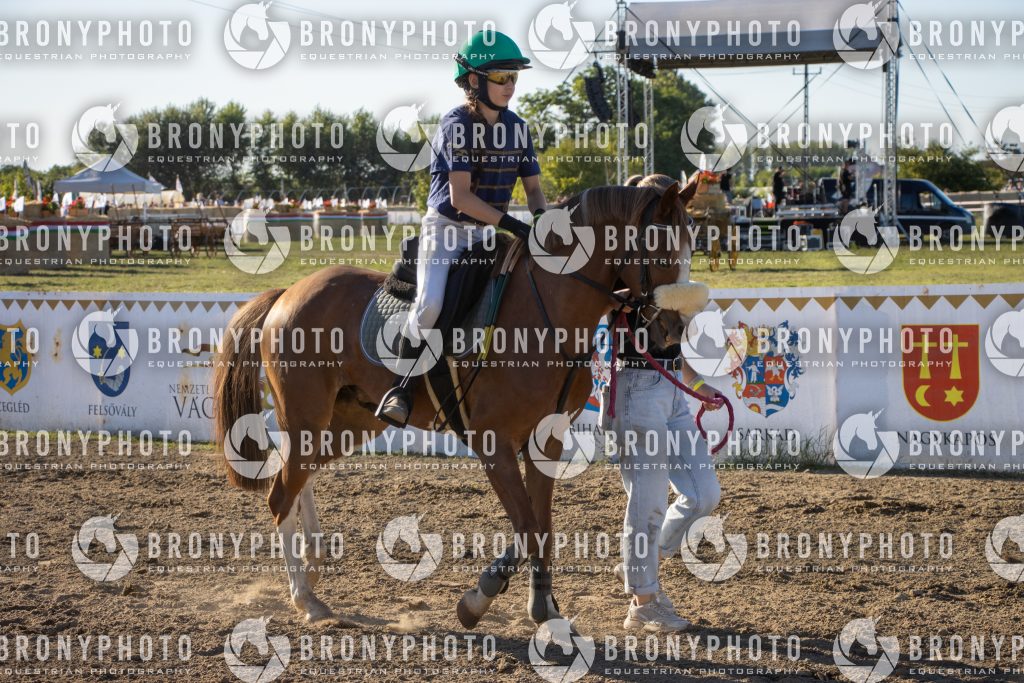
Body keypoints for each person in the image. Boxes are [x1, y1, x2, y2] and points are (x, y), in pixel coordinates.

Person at [376, 30, 547, 427]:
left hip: (487, 235)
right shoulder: (456, 124)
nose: (510, 85)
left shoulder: (518, 127)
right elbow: (461, 198)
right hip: (447, 231)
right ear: (474, 80)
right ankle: (400, 388)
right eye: (501, 77)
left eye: (514, 77)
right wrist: (515, 226)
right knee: (431, 305)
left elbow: (535, 190)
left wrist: (542, 221)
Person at [608, 173, 726, 633]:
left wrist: (697, 383)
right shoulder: (621, 263)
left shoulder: (668, 263)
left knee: (703, 494)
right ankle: (643, 602)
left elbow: (673, 345)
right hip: (636, 391)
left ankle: (642, 562)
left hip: (672, 388)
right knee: (648, 502)